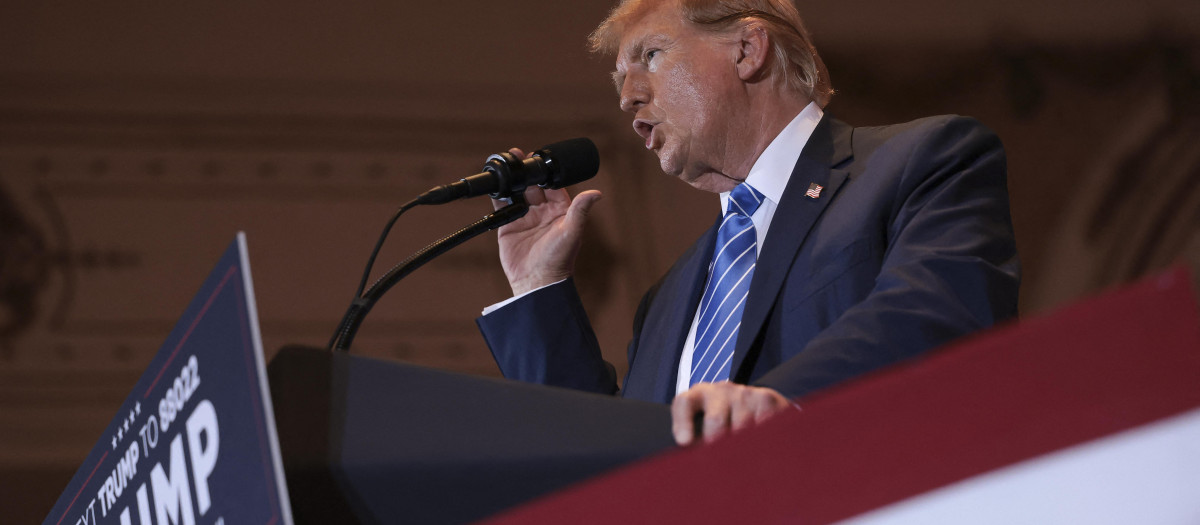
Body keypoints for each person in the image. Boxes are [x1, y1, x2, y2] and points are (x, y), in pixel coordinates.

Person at [477, 0, 1020, 446]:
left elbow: (937, 311)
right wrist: (538, 290)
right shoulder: (668, 297)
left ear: (748, 48)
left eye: (651, 55)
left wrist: (765, 409)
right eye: (619, 79)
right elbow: (604, 451)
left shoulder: (920, 162)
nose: (626, 98)